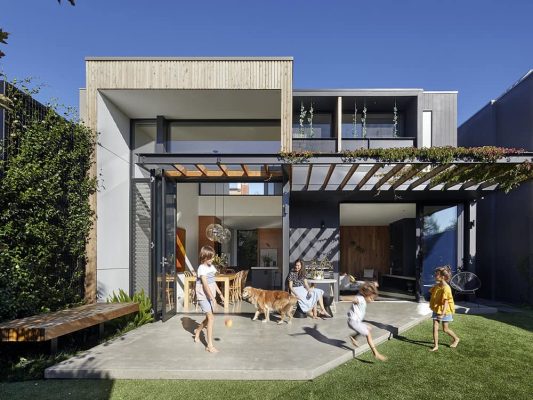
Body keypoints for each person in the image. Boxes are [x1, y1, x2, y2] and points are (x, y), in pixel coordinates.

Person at [193, 245, 225, 353]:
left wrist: (220, 294)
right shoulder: (201, 268)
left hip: (210, 295)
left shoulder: (211, 267)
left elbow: (213, 282)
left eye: (213, 257)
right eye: (210, 257)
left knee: (208, 319)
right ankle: (209, 346)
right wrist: (213, 299)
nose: (212, 259)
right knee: (211, 318)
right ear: (204, 257)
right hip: (203, 296)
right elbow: (205, 285)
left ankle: (198, 331)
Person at [347, 281, 387, 361]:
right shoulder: (360, 298)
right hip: (353, 322)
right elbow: (354, 299)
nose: (372, 300)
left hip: (356, 322)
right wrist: (342, 298)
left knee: (368, 328)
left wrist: (373, 285)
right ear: (366, 295)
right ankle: (375, 353)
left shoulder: (362, 295)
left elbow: (366, 287)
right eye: (371, 298)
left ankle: (353, 337)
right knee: (368, 334)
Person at [429, 265, 460, 352]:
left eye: (437, 274)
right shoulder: (438, 285)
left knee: (445, 329)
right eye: (435, 274)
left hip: (445, 311)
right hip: (437, 309)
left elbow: (446, 302)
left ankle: (456, 338)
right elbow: (433, 293)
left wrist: (442, 314)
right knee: (435, 327)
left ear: (442, 277)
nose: (435, 276)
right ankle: (436, 346)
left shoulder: (446, 288)